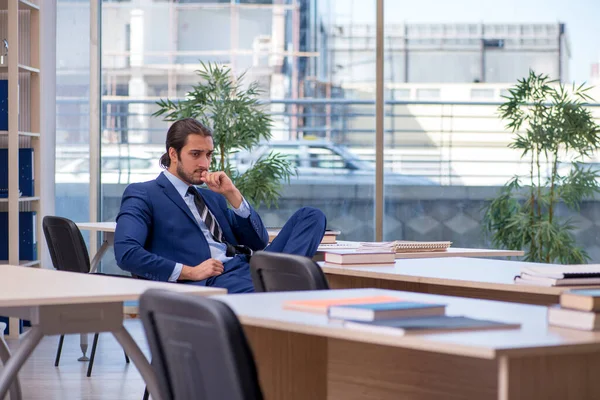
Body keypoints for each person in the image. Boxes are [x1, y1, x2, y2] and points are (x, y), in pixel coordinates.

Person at [114, 118, 327, 293]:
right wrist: (189, 271)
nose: (205, 164)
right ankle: (282, 286)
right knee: (309, 293)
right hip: (214, 279)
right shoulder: (144, 193)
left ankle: (280, 283)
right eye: (195, 154)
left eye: (208, 155)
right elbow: (126, 253)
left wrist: (233, 194)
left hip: (250, 266)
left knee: (310, 216)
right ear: (173, 154)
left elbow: (258, 241)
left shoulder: (212, 198)